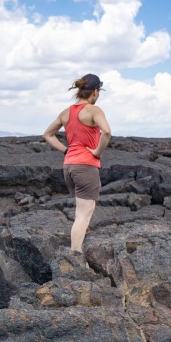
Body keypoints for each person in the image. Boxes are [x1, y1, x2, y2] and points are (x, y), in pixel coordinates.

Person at [42, 73, 112, 253]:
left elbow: (47, 134)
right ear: (95, 92)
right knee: (83, 215)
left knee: (82, 212)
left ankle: (76, 251)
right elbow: (106, 132)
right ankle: (75, 256)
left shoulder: (66, 113)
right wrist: (97, 152)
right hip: (85, 167)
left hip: (69, 167)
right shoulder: (94, 110)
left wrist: (66, 150)